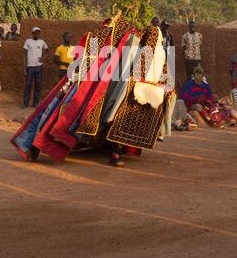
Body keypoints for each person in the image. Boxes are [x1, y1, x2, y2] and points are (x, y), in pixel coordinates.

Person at [11, 12, 175, 167]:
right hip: (92, 82)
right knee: (65, 111)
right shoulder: (124, 43)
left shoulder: (145, 49)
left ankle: (113, 151)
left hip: (119, 86)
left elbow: (159, 73)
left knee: (107, 116)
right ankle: (36, 146)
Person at [23, 27, 49, 109]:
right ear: (32, 33)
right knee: (28, 85)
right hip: (30, 67)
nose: (37, 34)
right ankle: (25, 104)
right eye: (35, 33)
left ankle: (35, 104)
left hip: (39, 67)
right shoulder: (28, 41)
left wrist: (43, 58)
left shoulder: (42, 42)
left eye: (38, 33)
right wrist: (24, 67)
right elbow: (24, 55)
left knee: (38, 85)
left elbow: (48, 51)